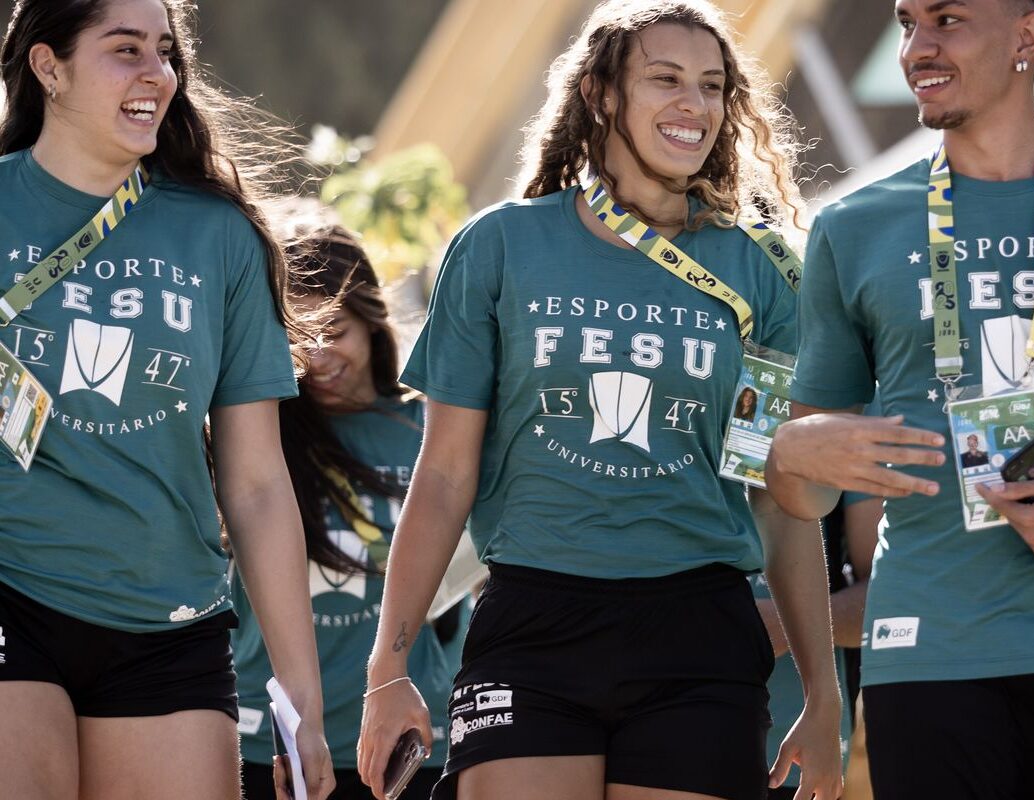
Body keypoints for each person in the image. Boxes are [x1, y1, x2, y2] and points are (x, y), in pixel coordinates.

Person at [356, 2, 844, 799]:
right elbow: (444, 475)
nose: (695, 105)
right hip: (533, 620)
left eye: (714, 86)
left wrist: (824, 699)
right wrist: (388, 669)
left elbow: (777, 496)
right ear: (601, 95)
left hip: (699, 631)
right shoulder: (500, 246)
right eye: (666, 80)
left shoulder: (762, 272)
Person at [765, 1, 1034, 797]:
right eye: (906, 23)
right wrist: (788, 455)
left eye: (947, 20)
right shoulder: (852, 226)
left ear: (1028, 36)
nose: (916, 48)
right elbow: (801, 493)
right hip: (924, 652)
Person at [0, 2, 334, 798]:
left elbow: (254, 484)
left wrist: (302, 696)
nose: (157, 74)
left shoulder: (219, 236)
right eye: (125, 51)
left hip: (168, 617)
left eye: (165, 51)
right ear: (49, 68)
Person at [232, 206, 464, 800]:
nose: (317, 358)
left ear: (370, 317)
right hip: (272, 744)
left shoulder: (432, 431)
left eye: (334, 331)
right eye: (296, 338)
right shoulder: (254, 435)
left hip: (408, 741)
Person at [756, 493, 881, 800]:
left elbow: (889, 602)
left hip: (797, 756)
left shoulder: (847, 448)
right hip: (665, 739)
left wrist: (783, 621)